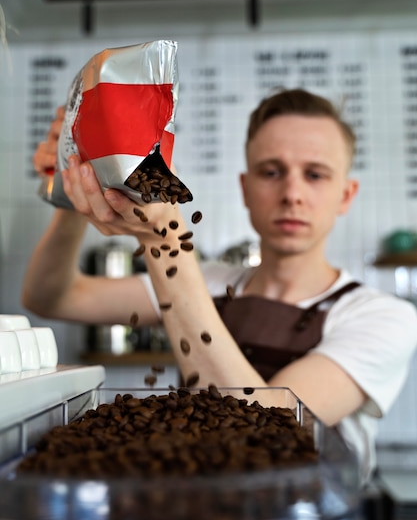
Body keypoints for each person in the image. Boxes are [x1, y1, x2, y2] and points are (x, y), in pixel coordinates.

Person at [23, 88, 417, 483]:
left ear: (345, 195)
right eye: (271, 172)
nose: (292, 195)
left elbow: (263, 431)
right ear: (245, 188)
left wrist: (166, 239)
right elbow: (51, 296)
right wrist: (77, 184)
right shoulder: (210, 281)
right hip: (198, 512)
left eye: (315, 174)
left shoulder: (384, 318)